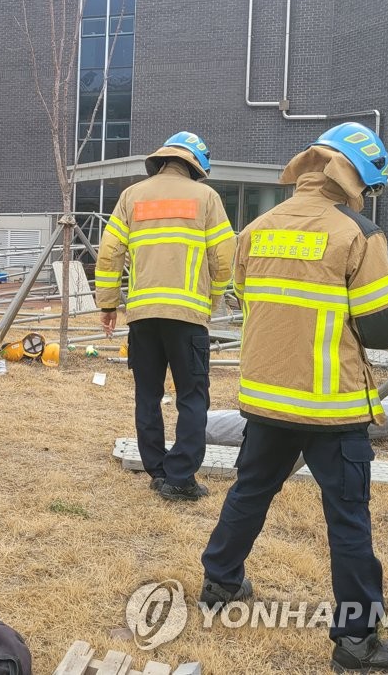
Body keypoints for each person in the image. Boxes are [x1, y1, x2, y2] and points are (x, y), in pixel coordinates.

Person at [199, 123, 388, 672]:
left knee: (249, 492)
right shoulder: (357, 234)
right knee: (347, 520)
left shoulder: (258, 228)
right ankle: (357, 642)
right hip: (331, 408)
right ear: (358, 179)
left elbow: (252, 302)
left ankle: (220, 584)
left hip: (267, 399)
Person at [94, 131, 235, 502]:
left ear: (161, 160)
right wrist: (212, 299)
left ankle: (157, 469)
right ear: (196, 166)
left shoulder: (131, 197)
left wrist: (108, 305)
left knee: (148, 394)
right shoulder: (206, 198)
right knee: (192, 397)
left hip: (142, 315)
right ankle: (180, 477)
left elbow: (109, 254)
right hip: (188, 316)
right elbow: (224, 258)